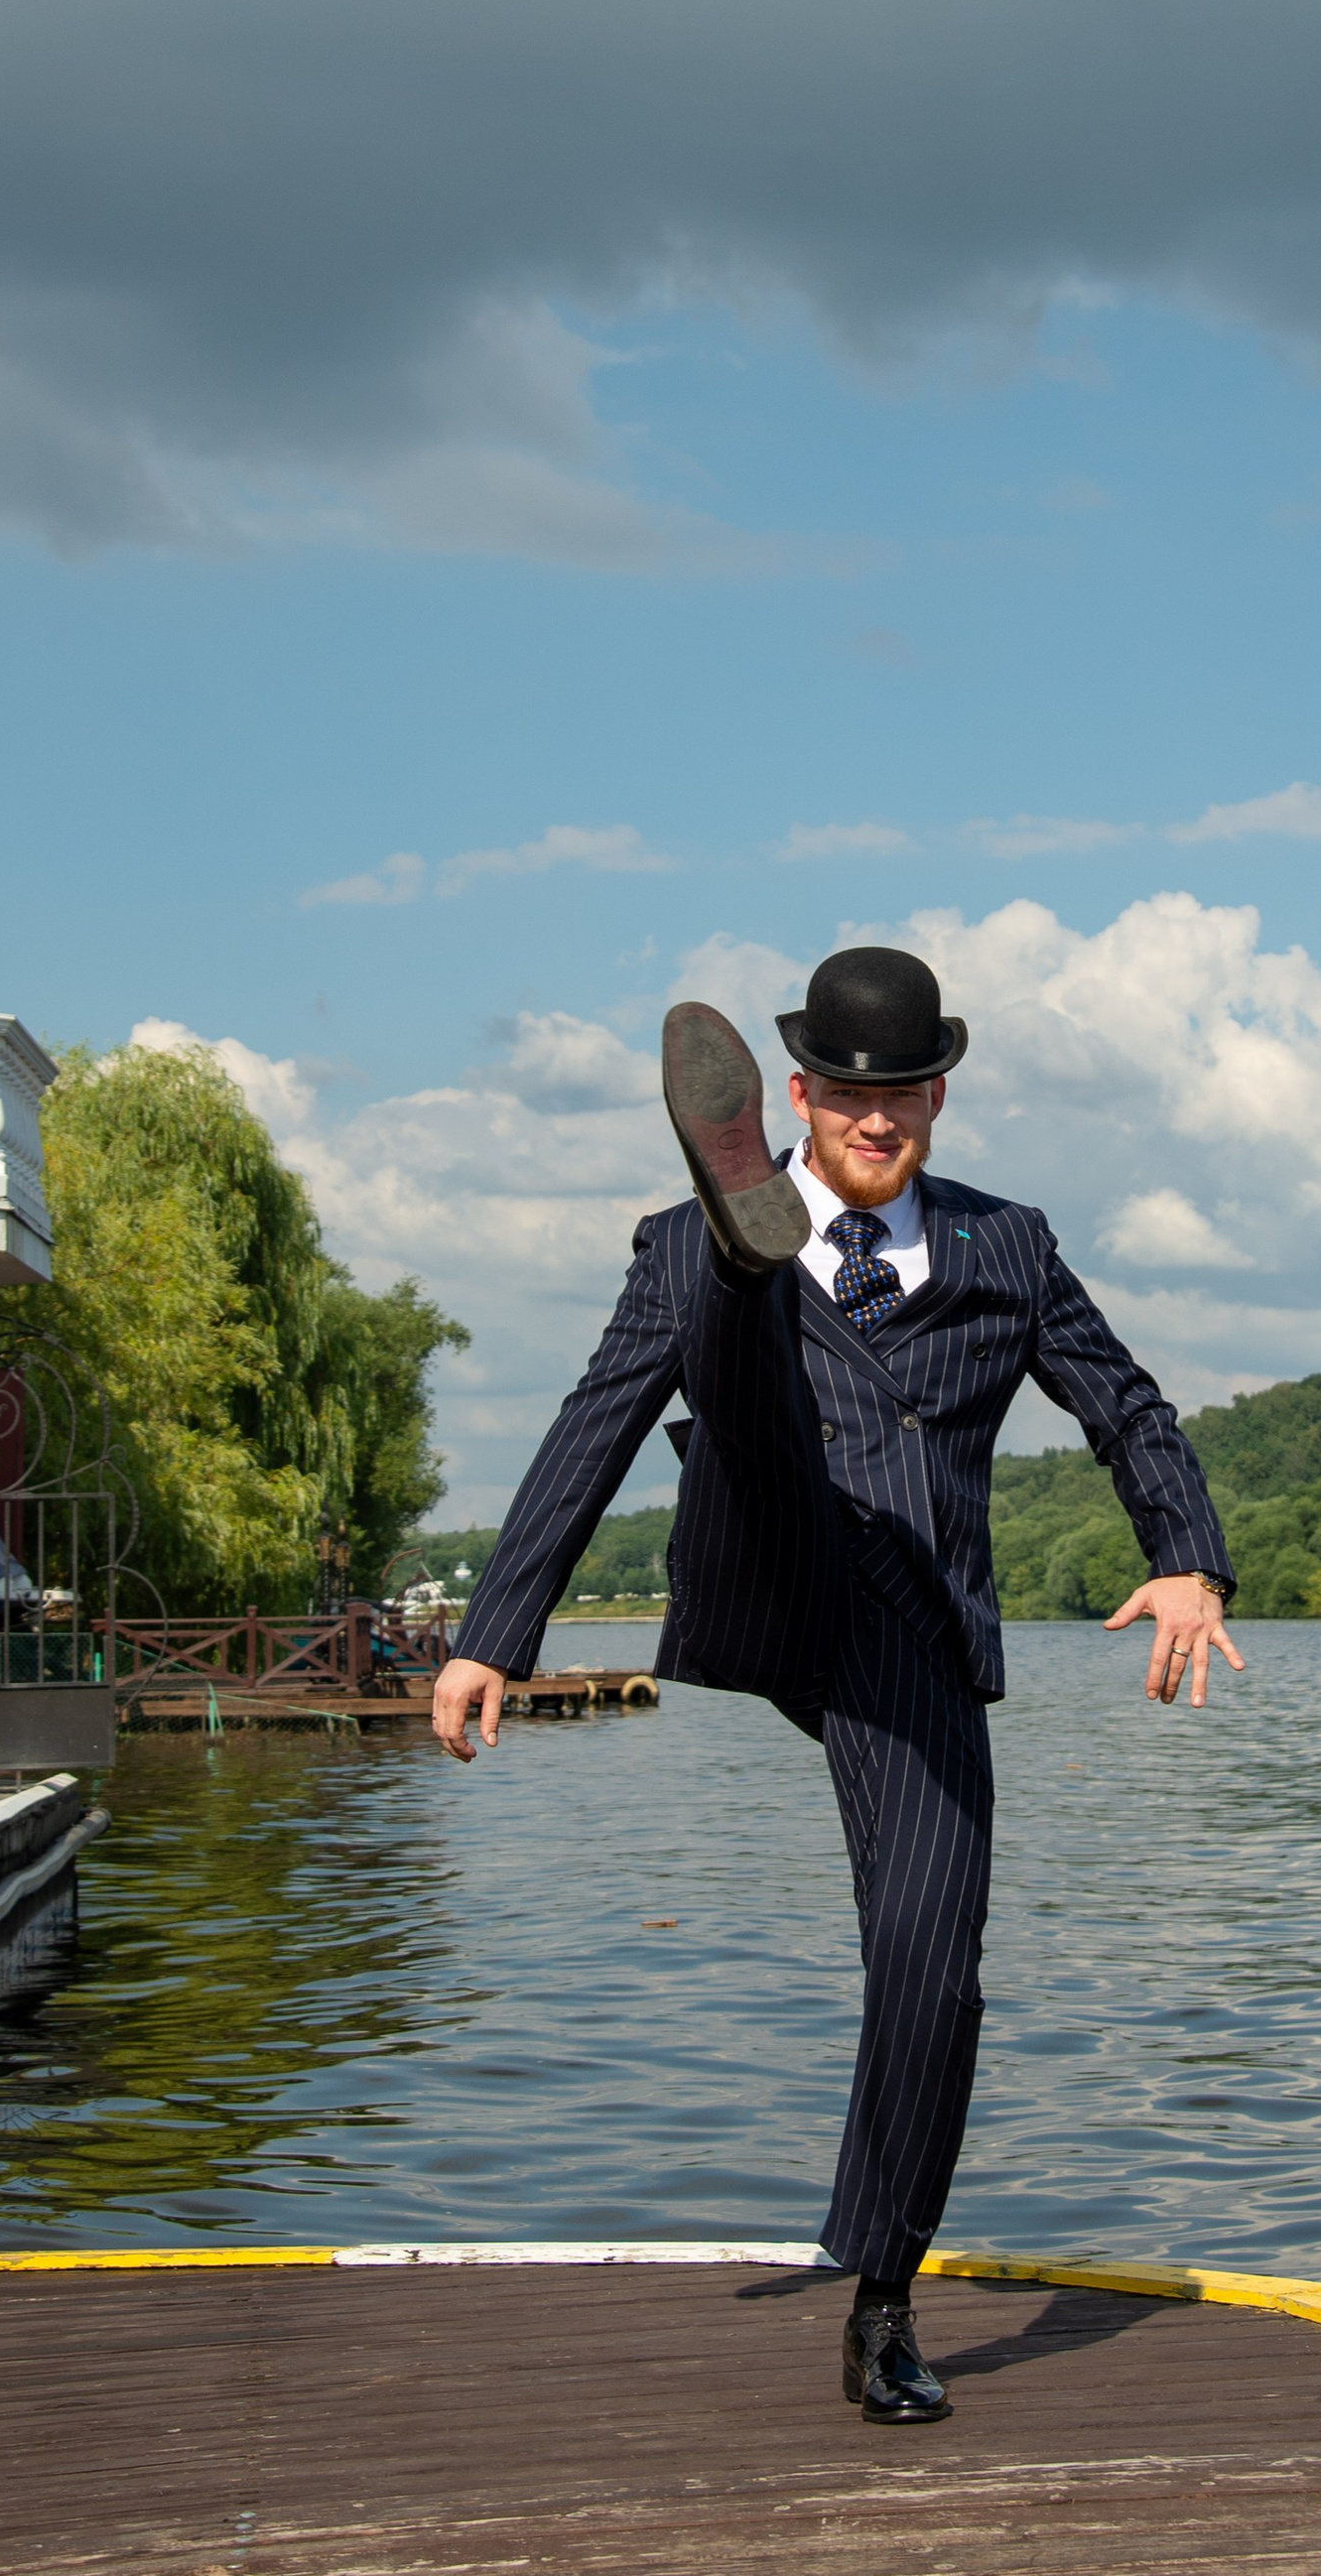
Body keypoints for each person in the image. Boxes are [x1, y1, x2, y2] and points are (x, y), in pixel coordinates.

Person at [432, 948, 1241, 2423]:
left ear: (938, 1095)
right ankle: (761, 1257)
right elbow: (593, 1427)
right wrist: (499, 1628)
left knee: (933, 1968)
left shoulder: (1011, 1248)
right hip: (758, 1543)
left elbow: (1125, 1405)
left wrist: (1189, 1557)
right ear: (797, 1094)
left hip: (902, 1629)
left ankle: (880, 2295)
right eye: (852, 1096)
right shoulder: (672, 1246)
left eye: (905, 1095)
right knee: (735, 1335)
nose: (880, 1120)